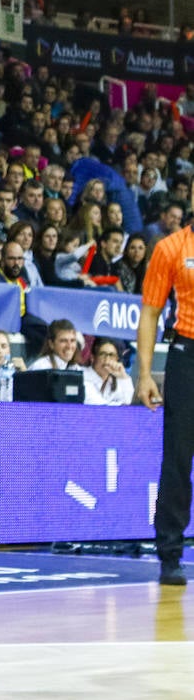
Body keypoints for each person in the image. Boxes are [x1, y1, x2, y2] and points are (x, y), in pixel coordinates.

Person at [137, 218, 194, 584]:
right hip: (187, 354)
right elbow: (151, 311)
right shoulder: (171, 247)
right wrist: (144, 374)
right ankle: (169, 553)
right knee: (177, 456)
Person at [83, 337, 133, 406]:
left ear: (117, 359)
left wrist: (123, 376)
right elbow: (100, 406)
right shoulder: (82, 376)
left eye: (111, 355)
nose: (107, 360)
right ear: (92, 358)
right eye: (103, 354)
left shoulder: (115, 379)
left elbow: (128, 402)